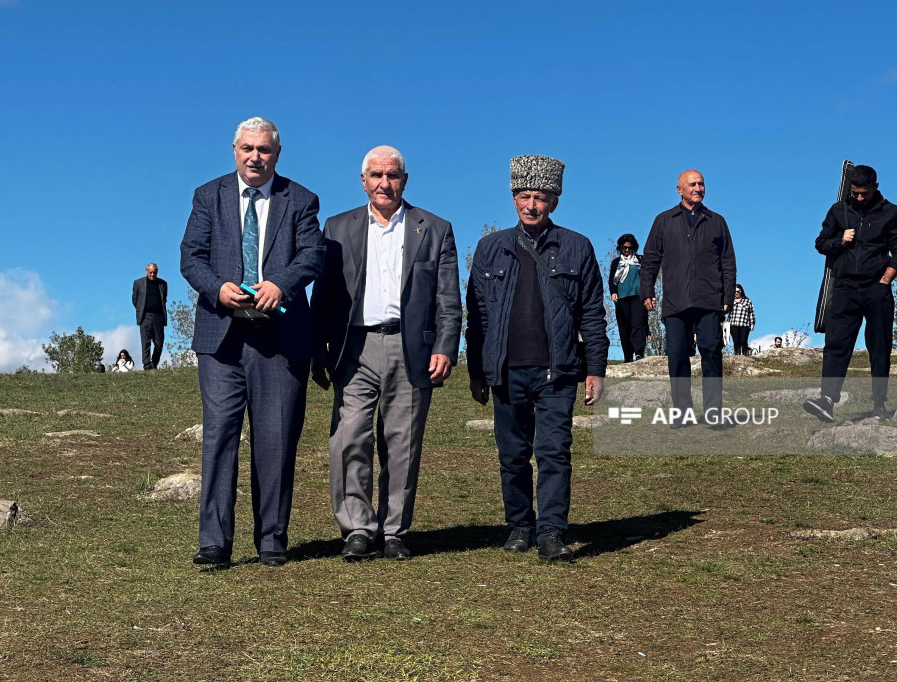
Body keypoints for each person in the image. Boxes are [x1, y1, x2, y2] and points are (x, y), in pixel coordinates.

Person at [179, 116, 325, 567]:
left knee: (276, 439)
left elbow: (313, 255)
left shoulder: (300, 199)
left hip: (279, 338)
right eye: (247, 149)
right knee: (219, 438)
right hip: (221, 339)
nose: (255, 157)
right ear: (235, 150)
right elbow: (190, 256)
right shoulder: (209, 195)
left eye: (264, 150)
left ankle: (271, 539)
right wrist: (216, 287)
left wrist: (280, 283)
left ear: (277, 155)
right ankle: (214, 543)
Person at [311, 146, 462, 562]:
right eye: (376, 175)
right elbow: (322, 297)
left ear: (404, 180)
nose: (384, 183)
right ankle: (358, 528)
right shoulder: (337, 227)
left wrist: (446, 347)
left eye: (392, 175)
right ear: (363, 181)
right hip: (353, 347)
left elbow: (449, 299)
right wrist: (318, 354)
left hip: (410, 347)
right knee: (349, 439)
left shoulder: (434, 228)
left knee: (403, 442)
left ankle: (395, 530)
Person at [466, 155, 609, 562]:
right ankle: (519, 526)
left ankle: (551, 532)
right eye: (525, 196)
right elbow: (474, 317)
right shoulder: (490, 248)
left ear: (554, 202)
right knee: (512, 455)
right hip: (505, 370)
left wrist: (595, 369)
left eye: (541, 198)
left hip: (558, 370)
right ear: (513, 199)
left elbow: (593, 314)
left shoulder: (577, 247)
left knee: (553, 453)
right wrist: (477, 370)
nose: (532, 205)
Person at [803, 165, 897, 422]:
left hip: (877, 289)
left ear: (875, 188)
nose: (859, 197)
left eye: (864, 193)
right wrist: (840, 240)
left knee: (879, 347)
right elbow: (821, 244)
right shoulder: (839, 210)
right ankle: (827, 401)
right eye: (855, 193)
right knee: (836, 345)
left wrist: (886, 280)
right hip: (845, 288)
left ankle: (879, 406)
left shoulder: (891, 213)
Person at [640, 169, 735, 419]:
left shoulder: (717, 221)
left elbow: (728, 261)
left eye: (701, 184)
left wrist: (727, 297)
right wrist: (646, 290)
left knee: (712, 352)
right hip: (676, 300)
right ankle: (682, 412)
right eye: (692, 184)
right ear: (679, 189)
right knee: (677, 355)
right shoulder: (664, 220)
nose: (698, 188)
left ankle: (714, 411)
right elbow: (650, 258)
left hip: (709, 299)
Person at [608, 233, 649, 362]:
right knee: (625, 327)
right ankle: (628, 356)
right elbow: (612, 280)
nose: (627, 250)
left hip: (638, 295)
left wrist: (648, 295)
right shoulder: (616, 262)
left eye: (629, 248)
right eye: (624, 248)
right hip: (622, 297)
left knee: (638, 323)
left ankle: (639, 352)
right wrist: (613, 292)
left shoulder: (640, 260)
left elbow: (647, 278)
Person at [131, 263, 168, 370]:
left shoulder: (163, 284)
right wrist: (140, 310)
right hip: (145, 316)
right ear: (146, 271)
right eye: (150, 272)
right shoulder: (138, 283)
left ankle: (154, 363)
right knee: (145, 342)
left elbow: (164, 299)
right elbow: (135, 300)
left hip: (159, 317)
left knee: (159, 343)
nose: (152, 274)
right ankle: (146, 364)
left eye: (154, 272)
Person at [727, 284, 756, 356]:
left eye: (737, 291)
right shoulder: (731, 301)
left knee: (743, 341)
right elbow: (728, 313)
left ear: (741, 291)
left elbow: (751, 313)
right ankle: (737, 356)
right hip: (733, 324)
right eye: (734, 292)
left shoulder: (747, 301)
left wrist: (752, 324)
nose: (736, 293)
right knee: (736, 342)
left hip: (744, 324)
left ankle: (745, 355)